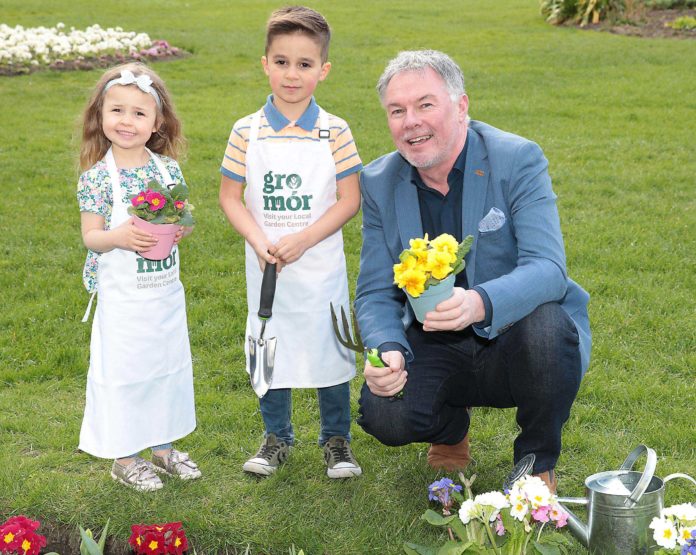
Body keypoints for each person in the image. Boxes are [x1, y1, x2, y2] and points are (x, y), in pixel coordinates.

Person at [355, 50, 591, 492]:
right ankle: (449, 432)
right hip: (431, 340)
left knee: (548, 328)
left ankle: (536, 463)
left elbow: (549, 268)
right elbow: (373, 291)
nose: (411, 122)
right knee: (384, 412)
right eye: (397, 111)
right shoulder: (377, 182)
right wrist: (386, 347)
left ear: (461, 106)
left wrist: (479, 303)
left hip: (512, 335)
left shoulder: (518, 158)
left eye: (426, 104)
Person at [219, 6, 363, 478]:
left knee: (330, 348)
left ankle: (336, 440)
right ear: (265, 63)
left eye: (304, 65)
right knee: (269, 346)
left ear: (323, 70)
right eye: (281, 62)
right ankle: (276, 438)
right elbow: (230, 197)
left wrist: (303, 240)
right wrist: (259, 240)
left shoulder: (335, 130)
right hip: (266, 267)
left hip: (318, 264)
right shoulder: (247, 130)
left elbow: (348, 200)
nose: (292, 74)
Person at [77, 62, 201, 491]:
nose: (127, 121)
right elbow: (92, 237)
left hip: (164, 294)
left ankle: (163, 448)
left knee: (165, 368)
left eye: (138, 113)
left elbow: (182, 215)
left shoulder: (167, 170)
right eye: (117, 111)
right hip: (123, 300)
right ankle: (126, 458)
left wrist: (182, 226)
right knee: (127, 373)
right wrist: (119, 236)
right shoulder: (97, 178)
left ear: (157, 122)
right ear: (101, 115)